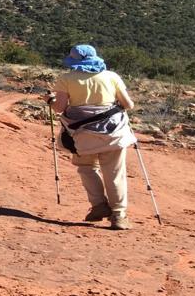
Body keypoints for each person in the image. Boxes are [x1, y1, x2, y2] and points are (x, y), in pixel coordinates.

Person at [50, 45, 138, 230]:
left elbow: (59, 108)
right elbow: (128, 105)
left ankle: (98, 206)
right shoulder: (111, 76)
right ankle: (119, 216)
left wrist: (49, 100)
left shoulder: (66, 79)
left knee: (86, 168)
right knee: (114, 173)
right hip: (112, 134)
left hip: (81, 135)